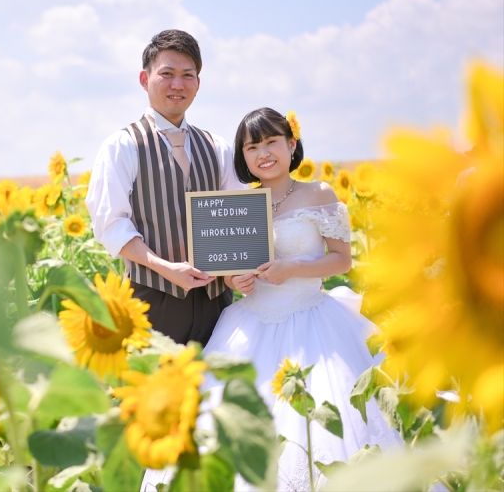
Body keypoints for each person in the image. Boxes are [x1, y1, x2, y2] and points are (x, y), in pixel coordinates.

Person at [142, 108, 399, 491]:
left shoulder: (318, 193)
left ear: (291, 145)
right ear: (242, 156)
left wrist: (290, 268)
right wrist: (235, 278)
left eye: (271, 142)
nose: (263, 153)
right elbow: (226, 265)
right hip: (250, 321)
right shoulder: (238, 202)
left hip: (313, 321)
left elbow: (342, 259)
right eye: (252, 146)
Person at [86, 29, 243, 346]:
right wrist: (165, 268)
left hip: (218, 304)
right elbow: (111, 225)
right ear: (145, 79)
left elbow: (238, 218)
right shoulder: (123, 146)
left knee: (216, 392)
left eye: (188, 75)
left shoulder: (218, 147)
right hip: (151, 301)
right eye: (167, 74)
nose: (178, 85)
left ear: (198, 84)